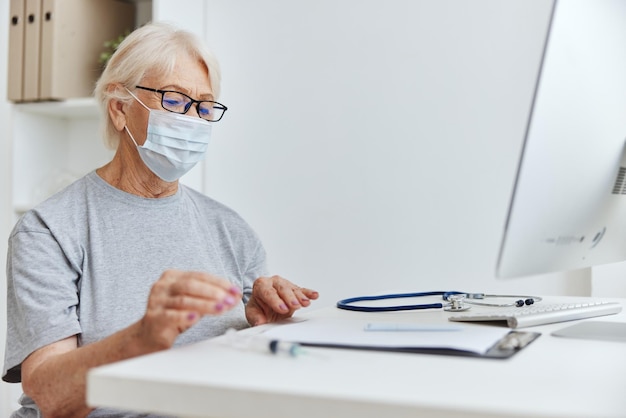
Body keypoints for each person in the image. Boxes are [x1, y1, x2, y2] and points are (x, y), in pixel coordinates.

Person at [2, 22, 319, 418]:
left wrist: (264, 328)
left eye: (204, 106)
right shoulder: (50, 231)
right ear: (120, 109)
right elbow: (51, 394)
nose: (193, 119)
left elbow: (245, 378)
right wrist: (144, 337)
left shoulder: (232, 231)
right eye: (174, 100)